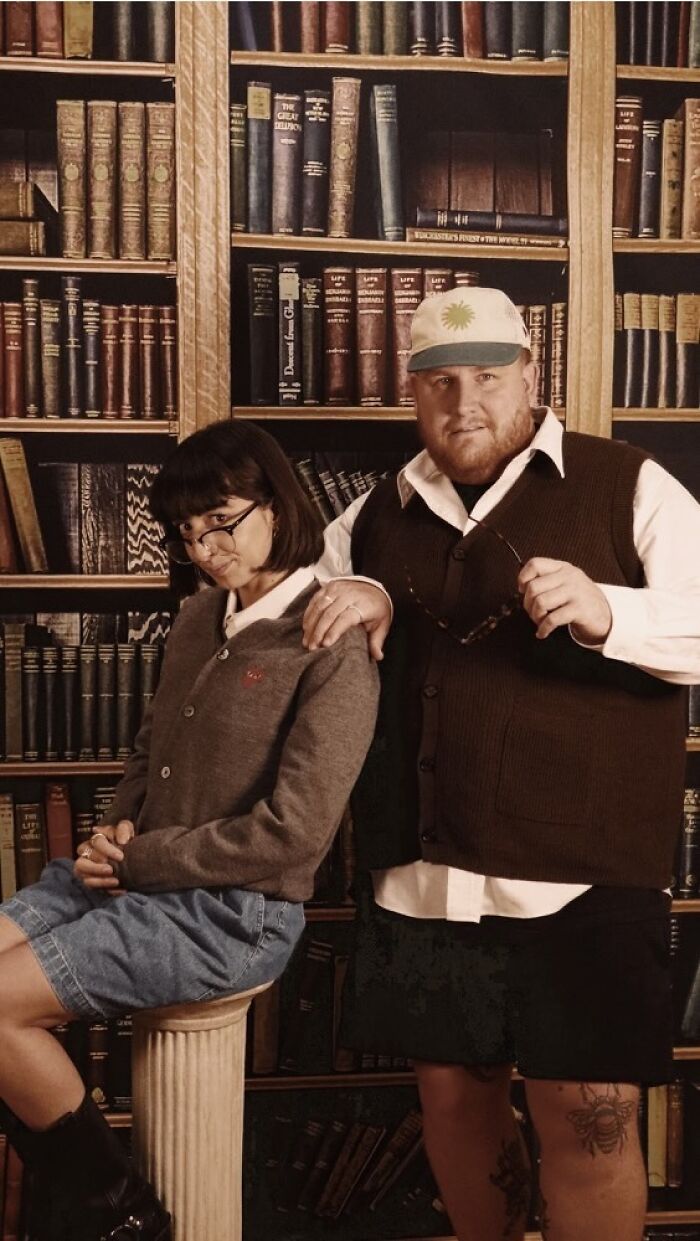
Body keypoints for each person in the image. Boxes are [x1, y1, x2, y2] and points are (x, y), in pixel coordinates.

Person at [302, 286, 700, 1241]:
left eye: (487, 377)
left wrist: (613, 612)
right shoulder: (366, 518)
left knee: (590, 1127)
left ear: (532, 376)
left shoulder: (631, 483)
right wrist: (356, 600)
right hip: (423, 881)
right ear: (412, 393)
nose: (463, 402)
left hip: (584, 883)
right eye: (440, 383)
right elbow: (297, 642)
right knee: (453, 1110)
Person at [0, 420, 379, 1241]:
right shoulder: (199, 617)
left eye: (222, 522)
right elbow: (147, 752)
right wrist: (111, 838)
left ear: (276, 506)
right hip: (133, 873)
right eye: (186, 532)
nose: (205, 548)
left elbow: (293, 836)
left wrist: (142, 859)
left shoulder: (333, 646)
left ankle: (118, 1215)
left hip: (234, 915)